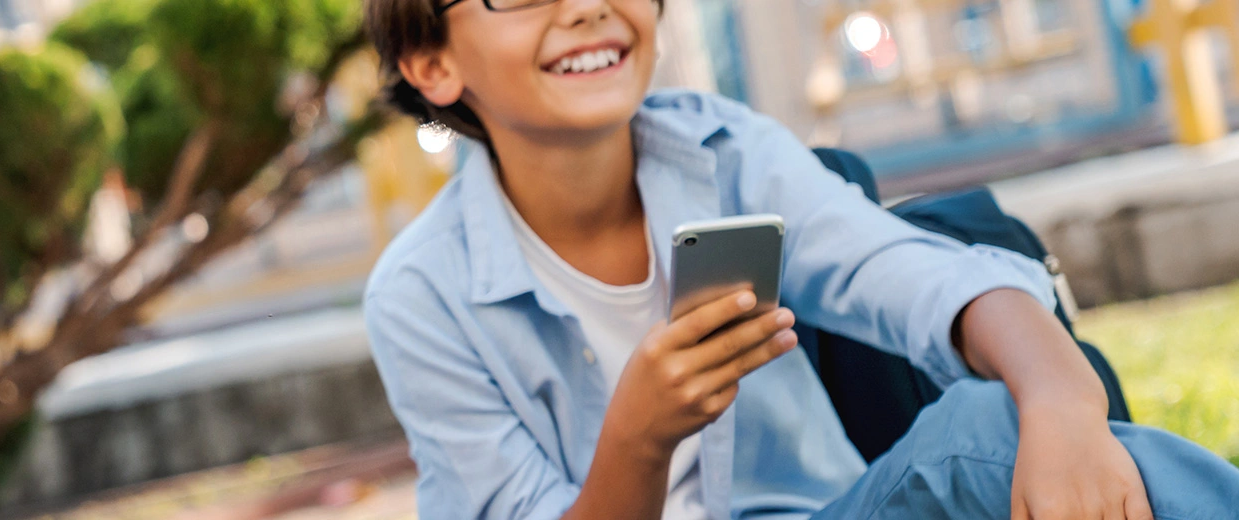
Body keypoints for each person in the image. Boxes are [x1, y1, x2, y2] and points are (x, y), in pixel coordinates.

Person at [357, 0, 1239, 518]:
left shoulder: (726, 152)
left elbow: (915, 275)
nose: (584, 6)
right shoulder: (421, 297)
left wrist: (1061, 399)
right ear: (432, 62)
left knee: (985, 432)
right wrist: (641, 434)